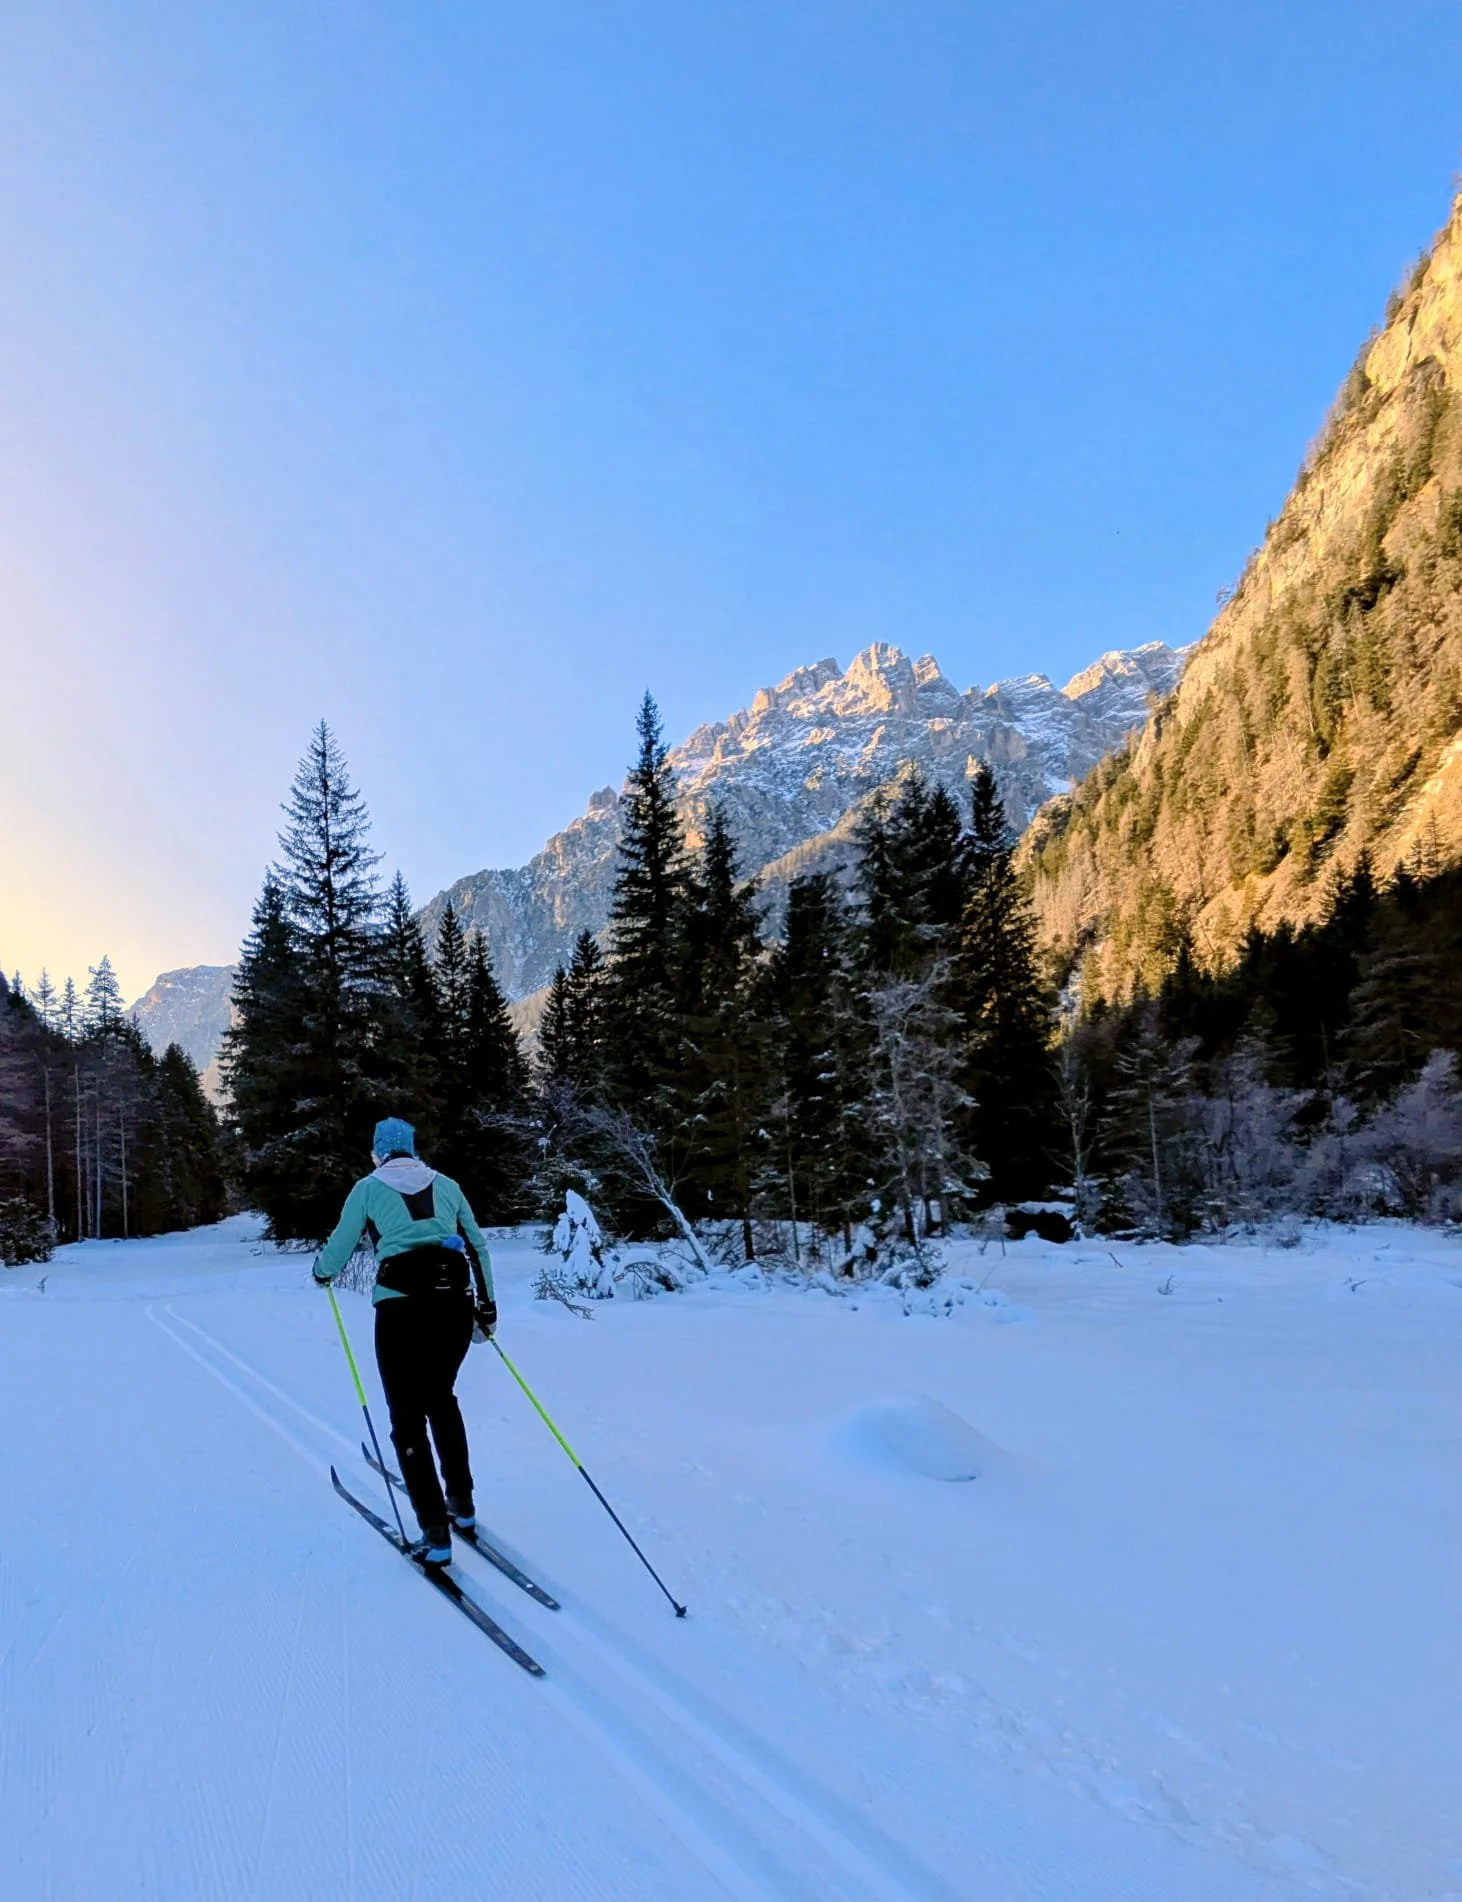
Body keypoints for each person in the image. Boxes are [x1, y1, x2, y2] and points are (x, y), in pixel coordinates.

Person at [312, 1117, 498, 1563]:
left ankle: (434, 1533)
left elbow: (340, 1245)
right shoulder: (447, 1185)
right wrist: (487, 1310)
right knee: (443, 1400)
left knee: (407, 1416)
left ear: (379, 1152)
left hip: (400, 1312)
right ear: (412, 1150)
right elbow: (476, 1246)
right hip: (453, 1307)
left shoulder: (368, 1188)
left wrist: (323, 1271)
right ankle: (462, 1506)